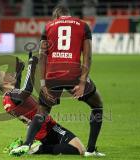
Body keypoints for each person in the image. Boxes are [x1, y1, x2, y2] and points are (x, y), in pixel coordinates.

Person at [15, 5, 105, 157]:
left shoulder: (48, 26)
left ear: (56, 16)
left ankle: (25, 145)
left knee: (42, 112)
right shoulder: (83, 25)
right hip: (74, 73)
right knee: (97, 105)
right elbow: (87, 56)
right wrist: (82, 82)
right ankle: (90, 150)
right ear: (68, 15)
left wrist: (43, 84)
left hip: (53, 74)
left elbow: (42, 56)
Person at [0, 55, 85, 156]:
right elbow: (26, 90)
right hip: (47, 128)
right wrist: (31, 65)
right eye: (7, 75)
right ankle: (38, 149)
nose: (10, 74)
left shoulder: (7, 98)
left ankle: (37, 147)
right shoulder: (14, 95)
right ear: (5, 82)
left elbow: (17, 89)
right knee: (80, 150)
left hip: (38, 132)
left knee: (76, 148)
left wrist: (20, 71)